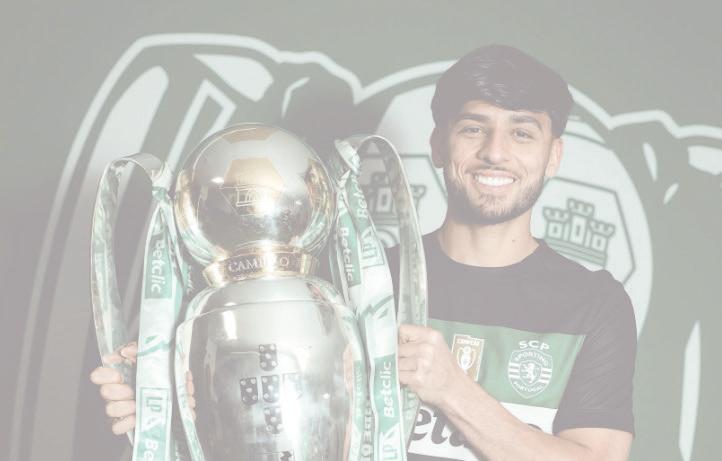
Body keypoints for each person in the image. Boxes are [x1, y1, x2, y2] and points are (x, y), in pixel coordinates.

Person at [91, 44, 636, 461]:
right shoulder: (354, 286)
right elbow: (278, 430)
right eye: (474, 128)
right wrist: (174, 410)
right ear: (440, 144)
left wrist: (452, 391)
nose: (495, 152)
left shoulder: (593, 304)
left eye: (522, 133)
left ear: (553, 155)